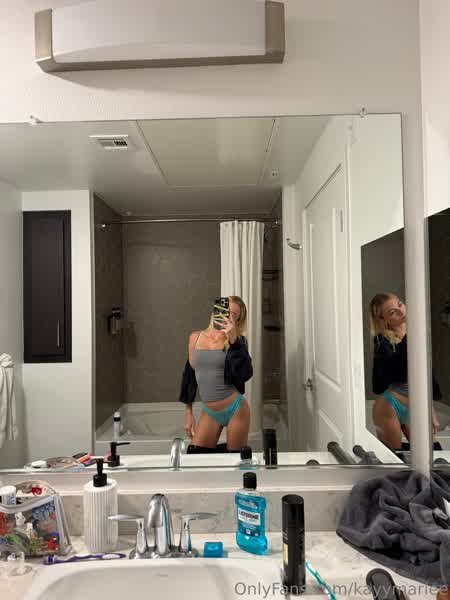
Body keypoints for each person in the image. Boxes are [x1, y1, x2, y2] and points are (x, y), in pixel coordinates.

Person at [179, 296, 252, 451]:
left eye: (233, 315)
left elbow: (244, 374)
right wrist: (188, 413)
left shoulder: (238, 342)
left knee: (234, 459)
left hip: (235, 409)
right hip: (210, 411)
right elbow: (189, 376)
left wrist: (234, 341)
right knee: (197, 457)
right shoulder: (195, 338)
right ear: (217, 309)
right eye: (226, 310)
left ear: (237, 321)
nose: (227, 316)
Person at [369, 292, 441, 450]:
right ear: (383, 319)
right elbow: (390, 377)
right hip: (390, 406)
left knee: (431, 452)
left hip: (416, 405)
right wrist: (410, 335)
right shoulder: (383, 342)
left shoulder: (419, 335)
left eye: (400, 304)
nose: (401, 311)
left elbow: (423, 377)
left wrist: (429, 408)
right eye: (392, 312)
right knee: (395, 457)